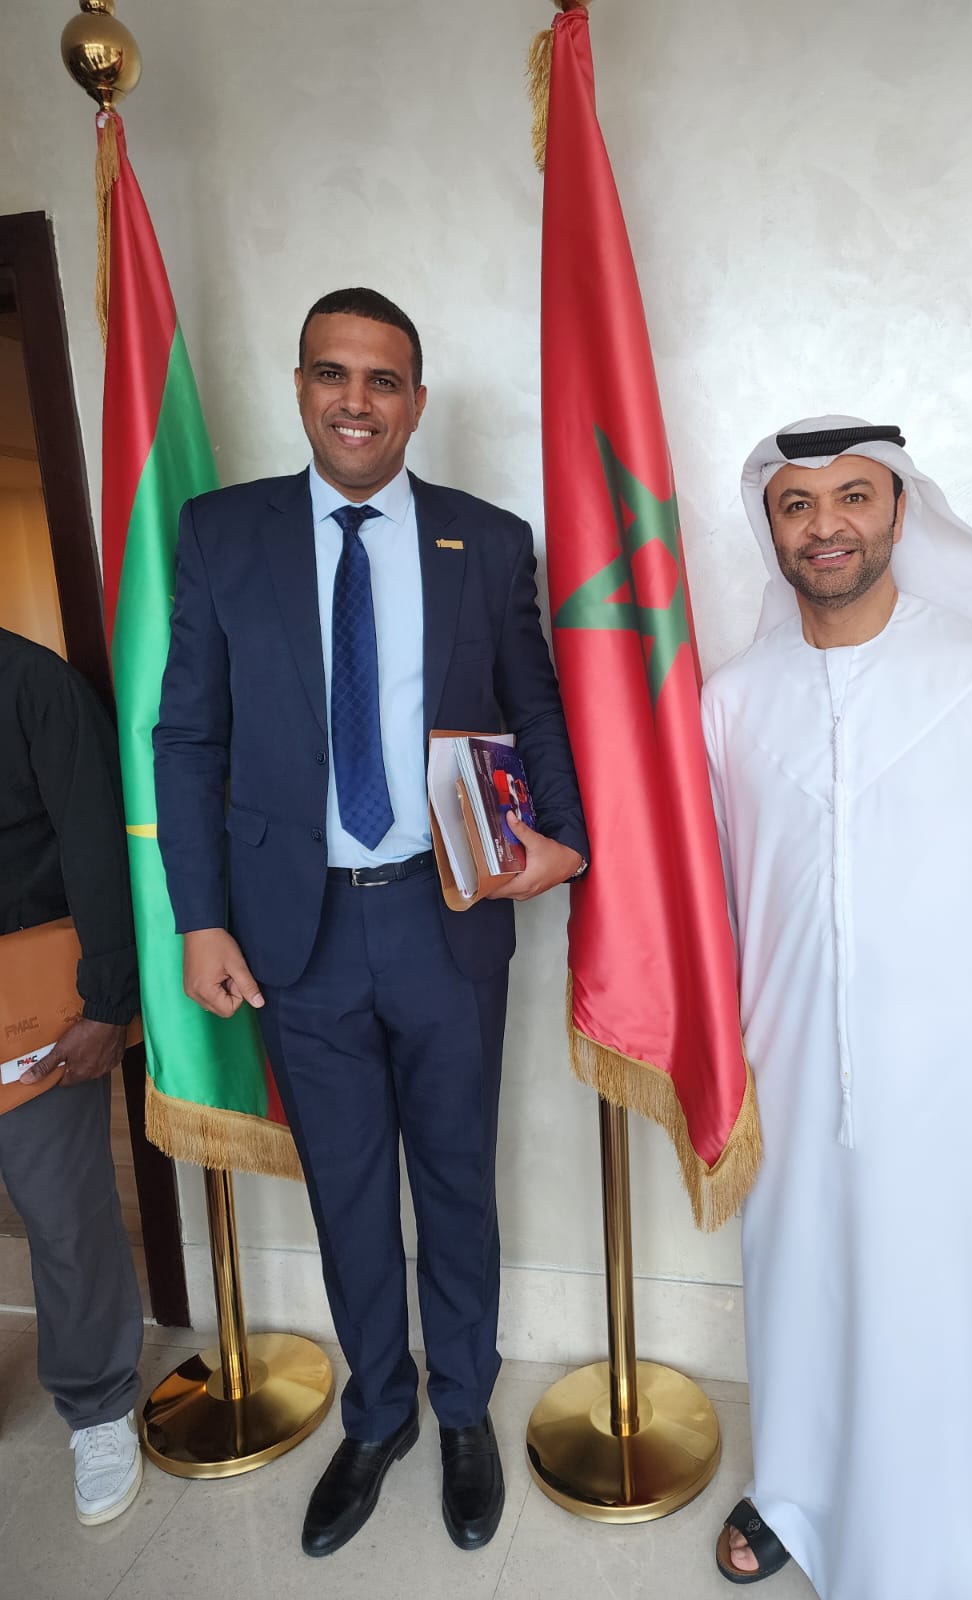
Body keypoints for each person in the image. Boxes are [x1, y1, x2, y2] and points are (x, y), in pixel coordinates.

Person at [153, 288, 588, 1559]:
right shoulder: (223, 533)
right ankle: (380, 1415)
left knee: (455, 1180)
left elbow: (536, 703)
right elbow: (190, 736)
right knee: (346, 1191)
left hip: (446, 918)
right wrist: (198, 920)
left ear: (416, 401)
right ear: (300, 387)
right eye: (333, 374)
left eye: (383, 379)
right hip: (295, 938)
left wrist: (563, 840)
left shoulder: (485, 540)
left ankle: (461, 1412)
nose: (357, 400)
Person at [701, 418, 972, 1598]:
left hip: (963, 1076)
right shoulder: (731, 701)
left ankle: (967, 1527)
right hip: (790, 1074)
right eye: (798, 504)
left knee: (951, 1306)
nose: (827, 525)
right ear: (773, 529)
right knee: (805, 1298)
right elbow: (714, 903)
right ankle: (797, 1496)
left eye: (854, 497)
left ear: (900, 513)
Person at [0, 627, 144, 1525]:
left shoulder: (32, 685)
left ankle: (97, 1407)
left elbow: (97, 845)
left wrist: (105, 1006)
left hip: (30, 1010)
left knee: (63, 1218)